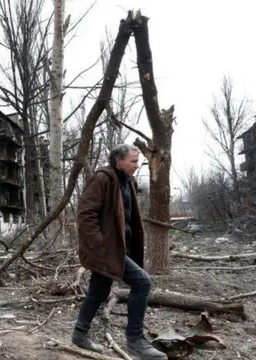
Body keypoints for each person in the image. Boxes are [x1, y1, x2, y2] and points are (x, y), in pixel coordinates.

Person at [71, 144, 167, 360]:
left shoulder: (126, 182)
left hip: (117, 249)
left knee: (99, 290)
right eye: (133, 161)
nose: (137, 164)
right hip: (106, 250)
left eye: (138, 160)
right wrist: (99, 244)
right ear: (118, 161)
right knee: (142, 283)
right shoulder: (102, 179)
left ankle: (79, 334)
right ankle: (135, 341)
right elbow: (85, 214)